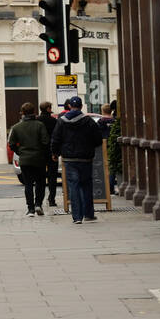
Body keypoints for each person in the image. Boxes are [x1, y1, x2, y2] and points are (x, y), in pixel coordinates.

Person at [51, 96, 106, 224]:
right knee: (86, 185)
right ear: (81, 106)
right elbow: (98, 139)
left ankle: (77, 217)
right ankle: (88, 214)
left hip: (69, 158)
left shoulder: (61, 121)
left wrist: (55, 153)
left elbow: (56, 138)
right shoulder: (89, 121)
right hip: (85, 158)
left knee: (73, 186)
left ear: (70, 106)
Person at [7, 102, 51, 216]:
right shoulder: (40, 125)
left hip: (25, 159)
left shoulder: (17, 127)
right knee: (40, 183)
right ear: (34, 111)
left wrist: (20, 151)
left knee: (28, 184)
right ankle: (38, 204)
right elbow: (46, 142)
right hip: (39, 159)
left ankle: (30, 209)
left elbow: (11, 144)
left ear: (22, 112)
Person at [38, 101, 59, 206]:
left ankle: (39, 201)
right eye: (50, 107)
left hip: (39, 152)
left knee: (40, 177)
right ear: (48, 109)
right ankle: (52, 199)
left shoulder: (37, 121)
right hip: (51, 151)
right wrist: (56, 152)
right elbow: (56, 137)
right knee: (52, 177)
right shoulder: (53, 121)